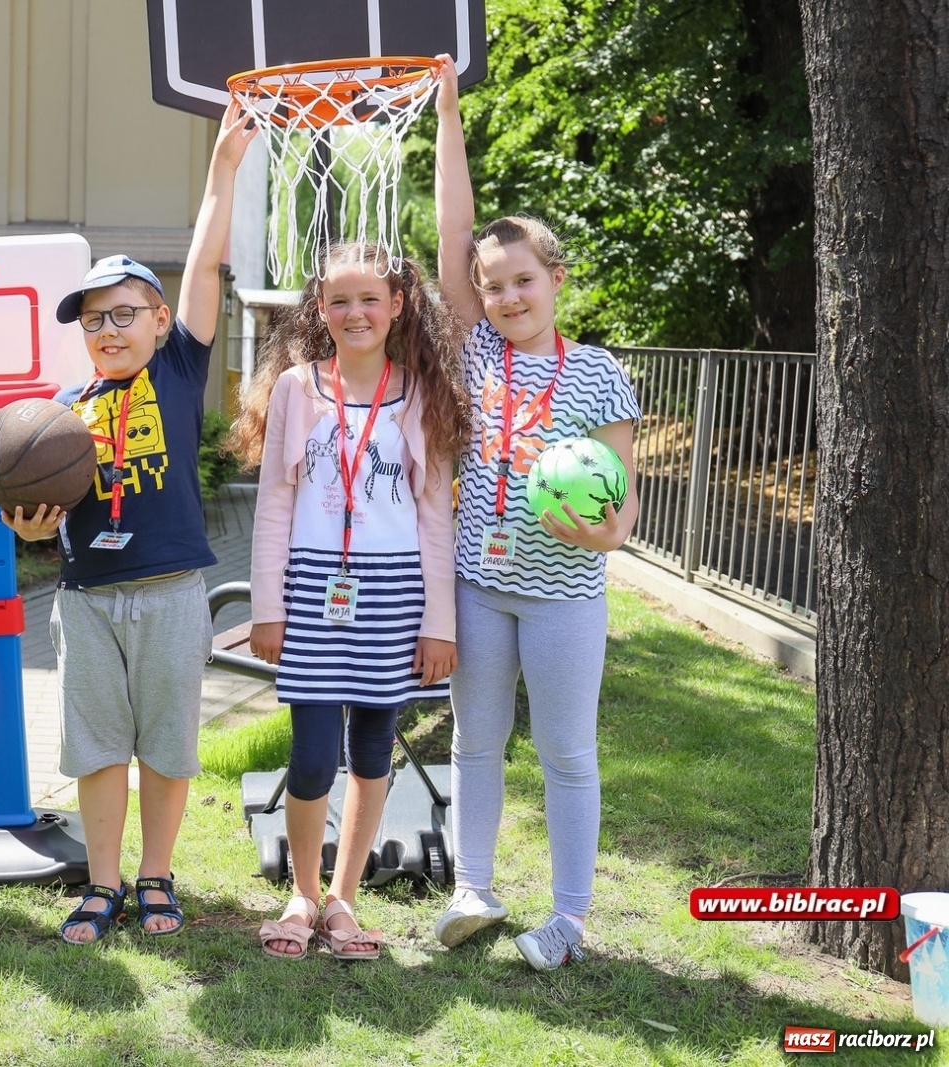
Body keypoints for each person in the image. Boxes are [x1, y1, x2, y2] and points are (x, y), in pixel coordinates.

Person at [5, 102, 258, 943]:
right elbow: (44, 514)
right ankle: (103, 882)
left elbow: (206, 262)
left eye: (123, 314)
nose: (107, 330)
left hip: (172, 589)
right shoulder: (62, 410)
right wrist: (32, 532)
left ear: (157, 319)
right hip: (86, 598)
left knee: (168, 745)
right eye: (93, 320)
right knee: (99, 745)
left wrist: (222, 169)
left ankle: (157, 875)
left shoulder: (180, 365)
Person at [432, 54, 643, 970]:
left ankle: (568, 920)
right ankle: (472, 889)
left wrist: (591, 530)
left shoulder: (598, 372)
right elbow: (454, 231)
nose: (507, 297)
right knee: (476, 740)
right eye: (492, 284)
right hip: (479, 584)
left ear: (554, 279)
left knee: (565, 753)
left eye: (522, 280)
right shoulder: (476, 349)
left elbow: (622, 517)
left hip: (564, 596)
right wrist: (448, 113)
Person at [227, 243, 469, 959]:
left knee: (370, 750)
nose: (355, 312)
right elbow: (274, 503)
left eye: (370, 299)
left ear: (397, 305)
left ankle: (343, 900)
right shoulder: (297, 388)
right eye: (339, 299)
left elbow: (435, 516)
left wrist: (439, 623)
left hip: (395, 596)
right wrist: (267, 607)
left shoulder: (421, 391)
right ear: (320, 309)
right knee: (310, 757)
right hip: (312, 592)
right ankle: (302, 894)